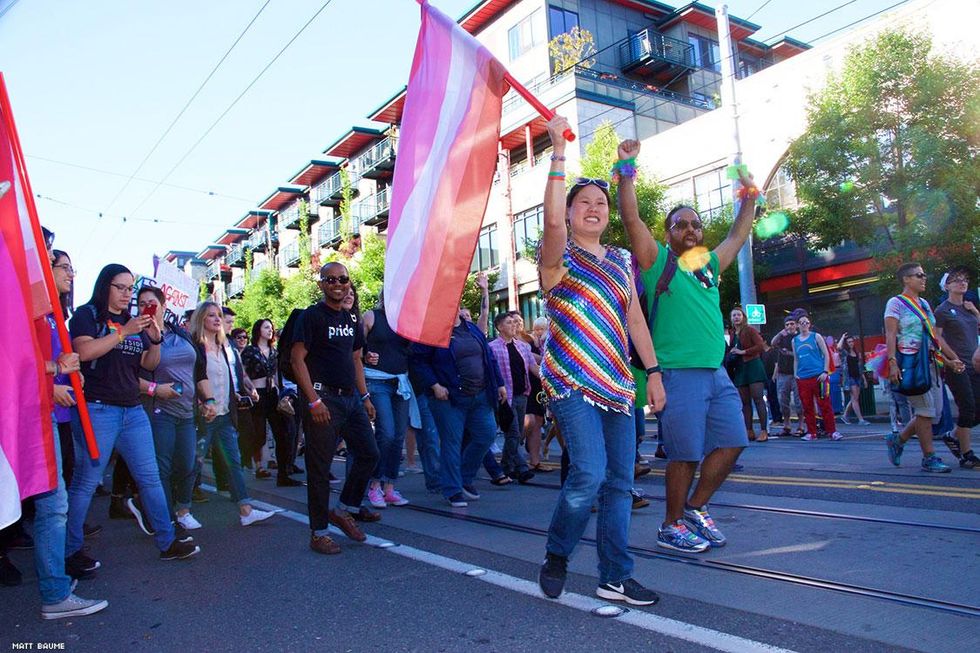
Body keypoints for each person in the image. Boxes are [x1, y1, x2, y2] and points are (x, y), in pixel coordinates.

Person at [536, 119, 665, 606]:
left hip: (617, 383)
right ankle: (557, 554)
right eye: (582, 202)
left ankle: (614, 575)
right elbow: (549, 225)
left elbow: (634, 319)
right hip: (569, 381)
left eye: (600, 203)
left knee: (620, 482)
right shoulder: (557, 256)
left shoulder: (619, 260)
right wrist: (556, 152)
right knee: (587, 474)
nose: (593, 209)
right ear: (569, 213)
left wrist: (652, 374)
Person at [623, 153, 757, 555]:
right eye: (680, 224)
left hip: (717, 373)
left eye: (696, 224)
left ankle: (695, 509)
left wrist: (749, 193)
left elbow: (738, 233)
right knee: (684, 454)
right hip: (677, 374)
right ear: (668, 233)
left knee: (734, 442)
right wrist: (626, 172)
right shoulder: (658, 261)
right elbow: (632, 221)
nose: (690, 229)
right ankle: (670, 524)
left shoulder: (710, 266)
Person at [67, 264, 200, 577]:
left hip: (132, 410)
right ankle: (70, 552)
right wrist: (123, 332)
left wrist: (154, 339)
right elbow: (83, 353)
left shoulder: (134, 322)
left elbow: (147, 365)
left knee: (150, 478)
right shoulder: (88, 315)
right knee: (86, 482)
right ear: (105, 287)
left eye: (131, 289)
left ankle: (167, 542)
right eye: (121, 287)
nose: (128, 294)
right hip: (98, 409)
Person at [291, 263, 380, 555]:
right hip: (322, 399)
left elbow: (356, 359)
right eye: (331, 280)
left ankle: (344, 509)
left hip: (350, 399)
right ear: (321, 285)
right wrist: (313, 401)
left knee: (369, 453)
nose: (338, 284)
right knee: (319, 468)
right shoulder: (311, 316)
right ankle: (318, 533)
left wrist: (365, 397)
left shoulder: (351, 317)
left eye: (343, 279)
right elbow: (297, 360)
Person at [189, 302, 278, 525]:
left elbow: (230, 374)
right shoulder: (195, 346)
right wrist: (202, 401)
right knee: (193, 463)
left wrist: (239, 392)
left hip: (225, 413)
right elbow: (194, 377)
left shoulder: (225, 345)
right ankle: (180, 511)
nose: (217, 319)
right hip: (204, 415)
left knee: (234, 462)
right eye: (211, 316)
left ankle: (245, 510)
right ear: (201, 319)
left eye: (219, 315)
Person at [411, 305, 508, 507]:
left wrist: (499, 383)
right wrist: (434, 385)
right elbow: (418, 361)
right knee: (451, 442)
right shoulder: (433, 331)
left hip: (480, 395)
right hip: (449, 398)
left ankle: (463, 477)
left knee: (487, 434)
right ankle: (452, 489)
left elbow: (489, 358)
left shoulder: (471, 328)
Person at [136, 286, 213, 532]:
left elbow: (199, 370)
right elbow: (129, 376)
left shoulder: (181, 333)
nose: (146, 307)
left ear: (164, 306)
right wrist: (155, 389)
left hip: (187, 411)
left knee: (188, 465)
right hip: (159, 411)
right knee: (163, 468)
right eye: (141, 304)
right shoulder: (136, 336)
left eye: (152, 303)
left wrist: (208, 400)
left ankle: (180, 509)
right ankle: (166, 519)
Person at [884, 263, 965, 473]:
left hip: (932, 363)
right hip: (910, 363)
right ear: (906, 280)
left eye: (923, 274)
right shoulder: (895, 303)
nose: (923, 278)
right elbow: (891, 334)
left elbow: (934, 337)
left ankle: (898, 439)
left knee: (933, 413)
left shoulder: (925, 304)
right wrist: (892, 362)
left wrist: (949, 360)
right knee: (925, 410)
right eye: (918, 275)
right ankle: (929, 457)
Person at [362, 291, 413, 508]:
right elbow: (356, 346)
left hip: (400, 382)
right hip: (377, 381)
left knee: (399, 435)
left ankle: (389, 486)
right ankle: (374, 485)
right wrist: (366, 354)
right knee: (387, 433)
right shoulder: (371, 316)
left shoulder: (408, 321)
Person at [242, 319, 301, 487]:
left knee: (282, 434)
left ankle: (283, 474)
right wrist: (250, 388)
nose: (270, 330)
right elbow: (243, 373)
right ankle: (251, 462)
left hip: (273, 394)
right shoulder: (250, 351)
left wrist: (284, 394)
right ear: (258, 329)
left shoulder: (274, 352)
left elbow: (276, 375)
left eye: (271, 328)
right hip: (257, 395)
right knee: (258, 434)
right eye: (266, 327)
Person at [933, 266, 980, 469]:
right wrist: (951, 358)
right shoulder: (942, 310)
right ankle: (966, 454)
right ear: (947, 286)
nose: (962, 282)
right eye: (956, 280)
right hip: (957, 365)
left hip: (975, 364)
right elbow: (937, 337)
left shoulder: (969, 307)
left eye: (964, 279)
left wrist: (976, 312)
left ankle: (952, 436)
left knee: (978, 410)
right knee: (967, 407)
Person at [488, 312, 538, 482]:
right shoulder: (493, 348)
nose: (514, 325)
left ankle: (506, 467)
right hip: (504, 397)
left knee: (515, 434)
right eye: (509, 323)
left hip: (522, 394)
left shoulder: (523, 347)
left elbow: (533, 367)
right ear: (499, 327)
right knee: (514, 432)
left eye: (514, 322)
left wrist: (550, 379)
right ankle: (522, 468)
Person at [792, 315, 841, 441]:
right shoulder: (795, 341)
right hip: (803, 378)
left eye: (806, 322)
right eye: (801, 323)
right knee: (807, 406)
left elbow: (826, 353)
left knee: (825, 404)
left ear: (809, 324)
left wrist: (825, 371)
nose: (804, 325)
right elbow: (796, 359)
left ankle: (832, 431)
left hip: (819, 376)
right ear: (798, 325)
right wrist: (796, 374)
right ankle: (812, 432)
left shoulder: (816, 336)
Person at [729, 306, 769, 442]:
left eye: (738, 315)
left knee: (758, 398)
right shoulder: (733, 334)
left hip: (753, 366)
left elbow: (760, 346)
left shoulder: (750, 330)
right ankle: (749, 430)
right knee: (744, 402)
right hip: (740, 369)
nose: (736, 317)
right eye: (734, 315)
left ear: (743, 317)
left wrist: (743, 352)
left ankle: (764, 430)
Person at [771, 316, 804, 436]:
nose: (790, 326)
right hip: (783, 373)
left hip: (796, 373)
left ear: (796, 325)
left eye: (792, 324)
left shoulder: (799, 337)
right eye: (787, 324)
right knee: (782, 400)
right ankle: (787, 424)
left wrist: (789, 353)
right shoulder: (782, 337)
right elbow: (773, 343)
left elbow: (801, 354)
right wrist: (780, 333)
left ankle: (800, 425)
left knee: (798, 401)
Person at [524, 316, 549, 469]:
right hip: (524, 385)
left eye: (542, 329)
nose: (539, 332)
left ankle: (535, 460)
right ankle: (513, 450)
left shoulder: (540, 341)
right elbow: (531, 359)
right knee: (528, 421)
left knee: (538, 421)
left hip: (539, 385)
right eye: (537, 328)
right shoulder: (524, 341)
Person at [838, 333, 870, 425]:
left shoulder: (856, 353)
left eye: (852, 341)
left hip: (857, 377)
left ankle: (845, 416)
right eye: (849, 342)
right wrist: (843, 337)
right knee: (855, 398)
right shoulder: (845, 353)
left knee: (854, 398)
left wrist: (863, 378)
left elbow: (859, 367)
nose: (851, 343)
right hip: (849, 377)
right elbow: (839, 347)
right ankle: (861, 419)